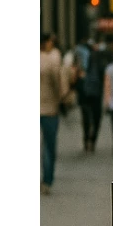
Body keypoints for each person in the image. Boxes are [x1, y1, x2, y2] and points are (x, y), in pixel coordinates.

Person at [40, 33, 71, 193]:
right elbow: (58, 82)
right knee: (49, 146)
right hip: (50, 108)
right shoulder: (53, 58)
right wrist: (63, 97)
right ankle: (47, 179)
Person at [78, 39, 107, 151]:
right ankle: (92, 139)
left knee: (86, 117)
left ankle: (87, 139)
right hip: (95, 92)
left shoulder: (80, 55)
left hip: (85, 91)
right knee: (96, 117)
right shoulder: (99, 57)